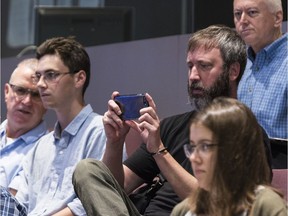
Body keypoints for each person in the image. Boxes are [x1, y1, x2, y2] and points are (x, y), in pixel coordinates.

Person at [72, 25, 272, 215]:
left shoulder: (247, 134)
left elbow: (218, 208)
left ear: (233, 71)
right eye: (190, 66)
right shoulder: (170, 127)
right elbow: (118, 188)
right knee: (89, 170)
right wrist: (115, 143)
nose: (193, 76)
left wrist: (159, 150)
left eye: (204, 66)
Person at [7, 36, 107, 215]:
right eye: (39, 76)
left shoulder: (100, 131)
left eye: (51, 75)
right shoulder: (40, 147)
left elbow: (99, 202)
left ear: (79, 79)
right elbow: (19, 206)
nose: (40, 84)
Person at [171, 97, 287, 216]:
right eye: (193, 147)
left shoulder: (266, 206)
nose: (193, 158)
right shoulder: (183, 210)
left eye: (205, 146)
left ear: (234, 151)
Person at [233, 0, 287, 168]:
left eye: (252, 12)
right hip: (242, 176)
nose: (243, 20)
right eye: (237, 14)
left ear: (277, 18)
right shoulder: (239, 65)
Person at [0, 58, 47, 189]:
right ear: (7, 91)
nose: (27, 101)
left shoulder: (45, 151)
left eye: (36, 95)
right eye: (20, 90)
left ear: (47, 102)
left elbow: (10, 206)